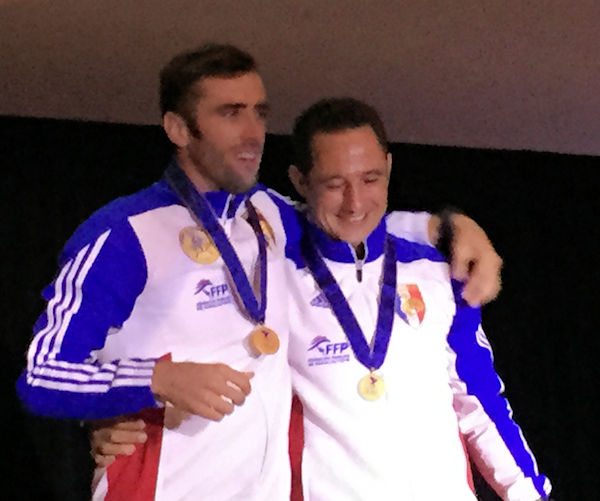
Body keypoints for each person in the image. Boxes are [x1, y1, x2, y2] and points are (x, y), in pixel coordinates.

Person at [18, 44, 502, 500]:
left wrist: (448, 226)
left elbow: (350, 223)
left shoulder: (269, 214)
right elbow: (42, 375)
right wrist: (157, 379)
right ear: (178, 128)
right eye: (231, 113)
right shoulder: (125, 234)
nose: (253, 133)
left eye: (259, 113)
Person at [282, 98, 551, 500]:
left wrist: (531, 495)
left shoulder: (439, 268)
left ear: (389, 168)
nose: (355, 202)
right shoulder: (274, 273)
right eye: (335, 184)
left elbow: (479, 401)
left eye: (370, 179)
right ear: (301, 181)